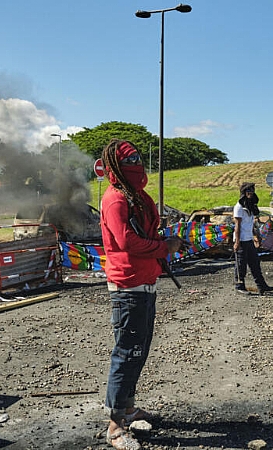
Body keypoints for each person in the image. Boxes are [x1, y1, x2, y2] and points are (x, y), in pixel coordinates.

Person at [100, 139, 184, 450]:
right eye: (131, 158)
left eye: (137, 156)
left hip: (145, 283)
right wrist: (164, 247)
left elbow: (143, 234)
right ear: (117, 166)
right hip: (128, 287)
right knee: (126, 354)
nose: (138, 162)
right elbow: (126, 242)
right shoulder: (115, 200)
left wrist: (167, 241)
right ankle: (115, 426)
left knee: (139, 351)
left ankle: (129, 408)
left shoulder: (135, 196)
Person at [233, 182, 273, 295]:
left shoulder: (250, 206)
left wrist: (256, 235)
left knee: (255, 263)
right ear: (243, 192)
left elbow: (251, 224)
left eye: (252, 191)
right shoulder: (239, 207)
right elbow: (237, 226)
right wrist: (237, 242)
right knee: (241, 264)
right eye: (248, 191)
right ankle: (239, 286)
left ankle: (261, 286)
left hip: (249, 239)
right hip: (241, 240)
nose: (250, 193)